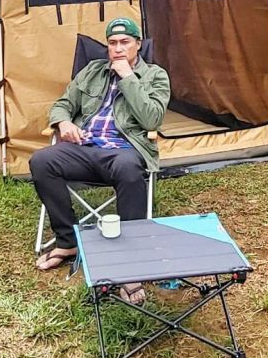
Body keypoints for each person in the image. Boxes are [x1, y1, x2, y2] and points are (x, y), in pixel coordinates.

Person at [31, 17, 170, 305]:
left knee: (128, 169)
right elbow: (62, 104)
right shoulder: (93, 70)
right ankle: (68, 242)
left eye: (125, 42)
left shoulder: (155, 76)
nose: (118, 48)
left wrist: (128, 78)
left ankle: (131, 261)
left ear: (138, 45)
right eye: (112, 43)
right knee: (42, 161)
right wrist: (63, 122)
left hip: (124, 150)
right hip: (84, 147)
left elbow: (152, 119)